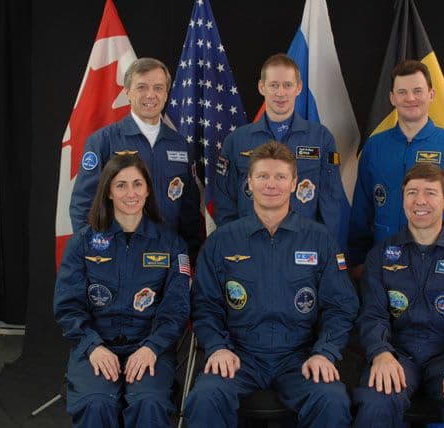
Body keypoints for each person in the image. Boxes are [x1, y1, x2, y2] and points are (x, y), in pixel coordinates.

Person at [185, 141, 358, 427]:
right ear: (249, 182)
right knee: (205, 397)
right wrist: (217, 346)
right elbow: (204, 306)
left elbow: (340, 306)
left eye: (280, 177)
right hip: (239, 355)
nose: (271, 184)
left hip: (299, 357)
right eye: (263, 176)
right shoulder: (222, 241)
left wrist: (324, 352)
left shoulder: (319, 240)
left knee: (332, 399)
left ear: (294, 183)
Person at [352, 163, 444, 427]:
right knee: (375, 403)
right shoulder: (380, 256)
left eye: (430, 193)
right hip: (397, 354)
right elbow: (372, 315)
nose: (420, 200)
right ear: (403, 199)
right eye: (412, 192)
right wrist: (380, 353)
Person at [54, 154, 190, 427]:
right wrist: (93, 347)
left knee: (148, 403)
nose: (131, 193)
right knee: (97, 402)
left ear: (148, 189)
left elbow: (176, 308)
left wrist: (152, 347)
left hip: (149, 347)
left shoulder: (171, 244)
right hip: (96, 345)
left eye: (137, 184)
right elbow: (68, 306)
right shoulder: (83, 243)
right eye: (121, 185)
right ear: (108, 191)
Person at [348, 60, 444, 278]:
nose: (410, 98)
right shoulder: (374, 147)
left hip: (437, 266)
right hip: (384, 264)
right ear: (392, 98)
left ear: (431, 95)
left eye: (417, 91)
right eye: (402, 92)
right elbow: (361, 209)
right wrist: (358, 261)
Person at [69, 57, 201, 262]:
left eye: (158, 88)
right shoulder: (104, 141)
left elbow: (189, 210)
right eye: (142, 87)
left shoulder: (180, 145)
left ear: (166, 94)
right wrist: (96, 253)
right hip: (118, 257)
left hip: (168, 257)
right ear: (127, 92)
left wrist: (190, 257)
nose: (150, 95)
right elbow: (83, 204)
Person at [214, 53, 344, 242]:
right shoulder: (237, 141)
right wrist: (235, 246)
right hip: (250, 243)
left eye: (287, 85)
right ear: (262, 87)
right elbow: (225, 204)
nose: (281, 93)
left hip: (303, 245)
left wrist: (325, 247)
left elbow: (330, 202)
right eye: (274, 85)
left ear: (298, 88)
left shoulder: (320, 138)